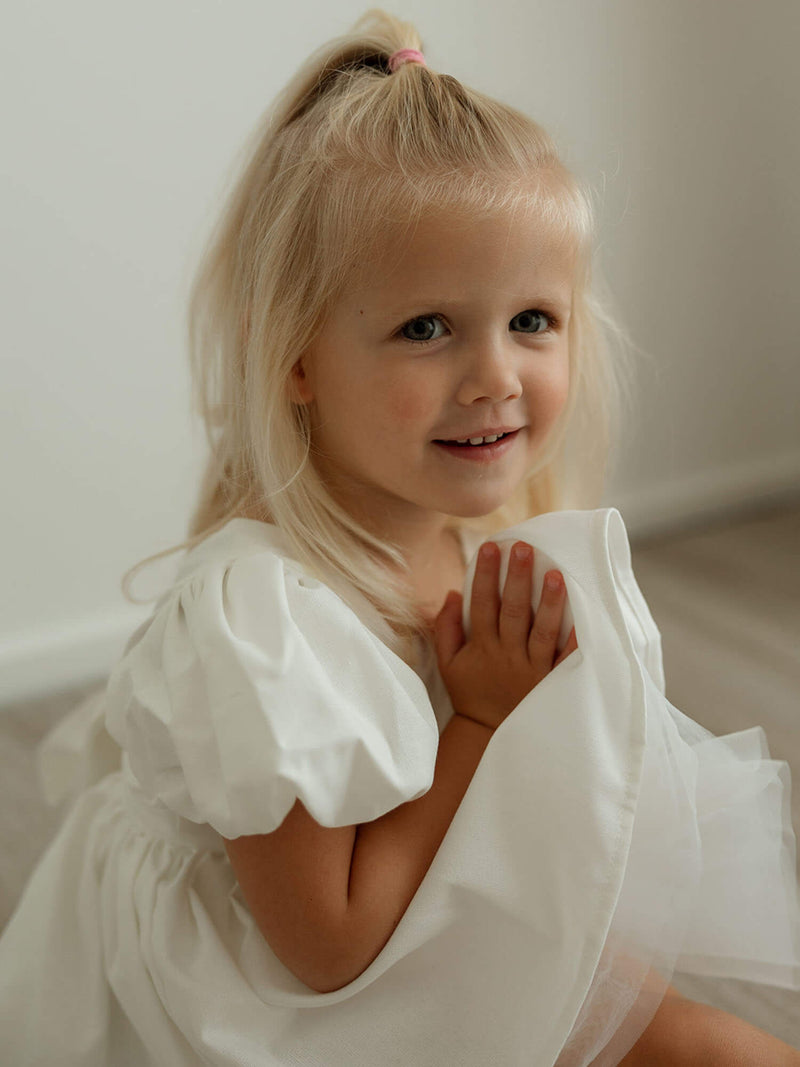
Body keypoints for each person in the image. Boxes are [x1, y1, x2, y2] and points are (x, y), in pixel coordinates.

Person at [1, 9, 798, 1065]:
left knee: (699, 1033)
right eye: (426, 327)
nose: (493, 377)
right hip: (267, 987)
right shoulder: (264, 616)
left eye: (531, 319)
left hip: (412, 890)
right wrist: (474, 718)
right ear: (292, 356)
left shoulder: (468, 536)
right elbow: (322, 951)